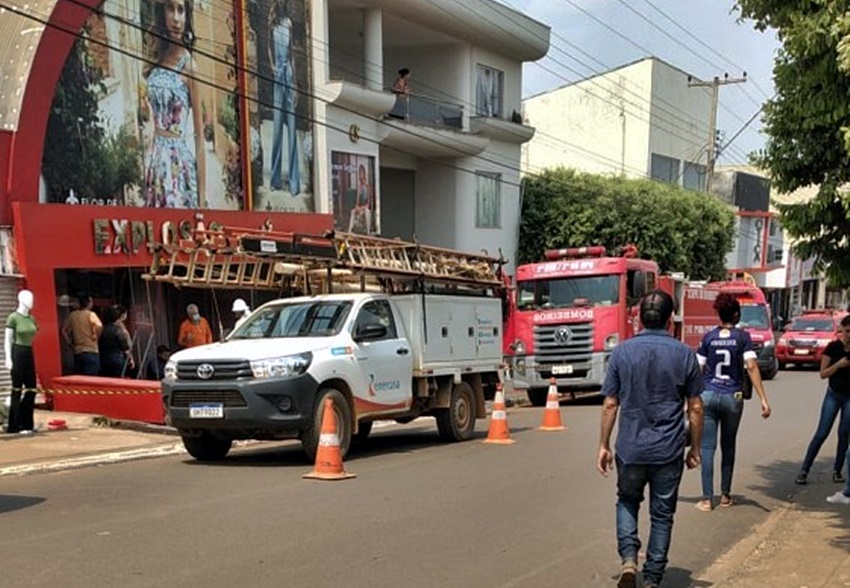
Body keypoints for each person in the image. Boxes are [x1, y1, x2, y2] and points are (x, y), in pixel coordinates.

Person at [598, 290, 704, 588]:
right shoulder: (685, 354)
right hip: (668, 450)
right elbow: (696, 407)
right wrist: (695, 448)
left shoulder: (621, 353)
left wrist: (603, 445)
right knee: (662, 514)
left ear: (640, 318)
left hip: (630, 448)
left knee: (627, 501)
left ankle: (629, 560)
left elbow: (610, 404)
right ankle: (653, 579)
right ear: (671, 319)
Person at [696, 293, 772, 512]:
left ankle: (707, 499)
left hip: (708, 394)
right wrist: (763, 399)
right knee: (728, 445)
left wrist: (691, 399)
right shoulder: (742, 337)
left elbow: (698, 368)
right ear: (737, 315)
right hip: (733, 396)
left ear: (719, 315)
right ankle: (726, 495)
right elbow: (751, 366)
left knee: (707, 447)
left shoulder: (708, 337)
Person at [142, 0, 205, 208]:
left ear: (187, 17)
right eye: (170, 9)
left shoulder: (189, 66)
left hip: (178, 165)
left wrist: (202, 201)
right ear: (162, 13)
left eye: (181, 10)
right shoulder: (156, 59)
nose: (176, 18)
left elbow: (199, 139)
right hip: (155, 162)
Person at [797, 314, 850, 486]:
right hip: (833, 394)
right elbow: (823, 373)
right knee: (822, 432)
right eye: (847, 331)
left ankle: (837, 470)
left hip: (849, 397)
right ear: (842, 331)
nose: (849, 335)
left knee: (844, 433)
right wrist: (839, 365)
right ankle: (804, 470)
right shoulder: (833, 348)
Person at [269, 0, 300, 195]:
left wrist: (295, 83)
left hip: (288, 72)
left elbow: (292, 55)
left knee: (292, 127)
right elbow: (268, 47)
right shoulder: (271, 23)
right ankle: (275, 179)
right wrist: (273, 66)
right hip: (277, 73)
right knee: (277, 127)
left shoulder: (289, 23)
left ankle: (294, 182)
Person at [4, 290, 38, 435]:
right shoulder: (13, 317)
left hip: (29, 352)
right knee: (16, 389)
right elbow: (7, 340)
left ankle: (27, 423)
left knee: (31, 389)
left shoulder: (32, 319)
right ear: (21, 299)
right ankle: (14, 425)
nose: (31, 301)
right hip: (17, 352)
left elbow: (34, 333)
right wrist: (8, 358)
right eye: (28, 298)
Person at [62, 294, 103, 376]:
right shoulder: (91, 314)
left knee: (80, 377)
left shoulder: (73, 315)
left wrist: (69, 343)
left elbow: (64, 330)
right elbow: (99, 326)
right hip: (91, 349)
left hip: (78, 351)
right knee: (91, 377)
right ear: (89, 303)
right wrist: (96, 336)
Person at [98, 306, 132, 378]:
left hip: (104, 358)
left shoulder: (101, 330)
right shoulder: (118, 330)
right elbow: (124, 346)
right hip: (117, 358)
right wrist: (130, 359)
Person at [347, 163, 372, 234]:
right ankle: (349, 231)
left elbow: (368, 204)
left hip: (365, 208)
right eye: (359, 173)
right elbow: (357, 202)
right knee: (353, 211)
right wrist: (357, 208)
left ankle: (368, 232)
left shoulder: (367, 187)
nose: (361, 175)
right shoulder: (359, 187)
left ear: (364, 174)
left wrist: (362, 209)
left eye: (362, 173)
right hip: (360, 208)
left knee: (367, 212)